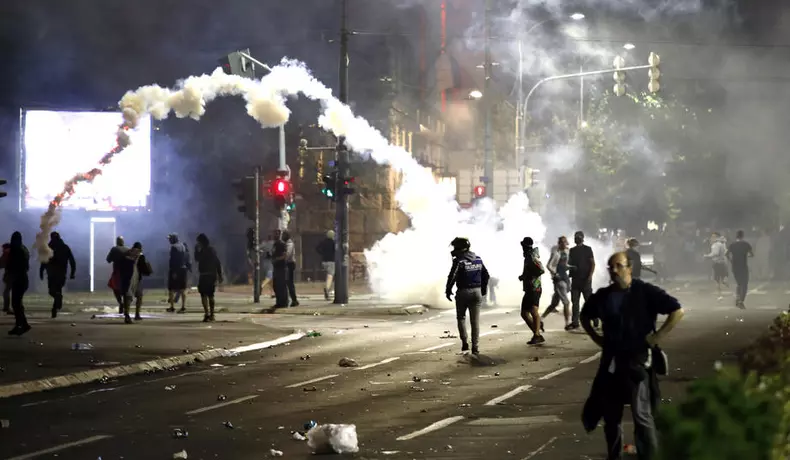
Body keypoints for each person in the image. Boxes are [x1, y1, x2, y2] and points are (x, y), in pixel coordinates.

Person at [581, 251, 685, 460]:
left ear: (630, 268)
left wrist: (656, 338)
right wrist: (597, 338)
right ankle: (614, 455)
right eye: (611, 267)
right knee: (611, 418)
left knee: (641, 415)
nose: (614, 271)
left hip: (637, 363)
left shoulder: (645, 292)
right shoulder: (603, 296)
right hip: (611, 364)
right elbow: (585, 315)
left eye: (619, 266)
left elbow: (677, 311)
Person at [445, 237, 489, 355]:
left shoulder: (459, 261)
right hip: (477, 291)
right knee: (475, 321)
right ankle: (475, 347)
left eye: (455, 248)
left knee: (461, 318)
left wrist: (448, 290)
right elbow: (486, 275)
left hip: (463, 292)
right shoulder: (478, 259)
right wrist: (483, 290)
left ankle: (465, 344)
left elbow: (452, 276)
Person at [39, 232, 76, 318]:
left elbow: (44, 261)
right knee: (58, 290)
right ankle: (55, 307)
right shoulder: (65, 247)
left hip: (52, 274)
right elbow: (72, 261)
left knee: (52, 291)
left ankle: (56, 304)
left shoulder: (49, 247)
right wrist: (72, 273)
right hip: (61, 273)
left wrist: (41, 271)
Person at [519, 237, 546, 345]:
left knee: (533, 311)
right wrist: (524, 276)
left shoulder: (531, 256)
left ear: (525, 246)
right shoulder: (528, 257)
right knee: (524, 313)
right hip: (530, 288)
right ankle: (537, 331)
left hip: (535, 288)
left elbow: (541, 269)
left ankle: (537, 333)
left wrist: (528, 276)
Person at [568, 231, 596, 330]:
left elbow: (592, 263)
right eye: (575, 237)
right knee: (575, 302)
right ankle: (575, 322)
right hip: (575, 280)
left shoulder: (588, 249)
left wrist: (590, 276)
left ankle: (595, 318)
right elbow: (569, 263)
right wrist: (570, 267)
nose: (577, 238)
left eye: (578, 237)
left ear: (582, 238)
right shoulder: (572, 250)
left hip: (585, 280)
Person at [543, 236, 571, 329]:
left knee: (554, 304)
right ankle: (567, 324)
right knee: (566, 302)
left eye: (564, 242)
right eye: (561, 242)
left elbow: (565, 265)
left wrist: (571, 267)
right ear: (559, 243)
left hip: (565, 276)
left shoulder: (567, 251)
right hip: (558, 278)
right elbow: (549, 265)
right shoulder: (555, 252)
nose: (563, 244)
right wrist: (555, 273)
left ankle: (541, 319)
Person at [7, 232, 31, 335]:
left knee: (16, 303)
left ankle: (21, 325)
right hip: (23, 277)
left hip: (18, 278)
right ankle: (22, 325)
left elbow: (13, 264)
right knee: (17, 303)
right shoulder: (23, 249)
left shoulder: (16, 250)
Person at [195, 234, 223, 322]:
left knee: (204, 295)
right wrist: (219, 274)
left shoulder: (204, 251)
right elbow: (217, 262)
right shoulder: (211, 250)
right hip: (211, 275)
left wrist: (196, 250)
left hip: (205, 275)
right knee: (210, 295)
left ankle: (207, 313)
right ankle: (211, 314)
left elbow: (197, 259)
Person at [727, 230, 753, 309]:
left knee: (739, 283)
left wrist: (731, 260)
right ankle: (741, 301)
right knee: (744, 284)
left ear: (736, 236)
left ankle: (737, 298)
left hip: (735, 267)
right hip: (743, 266)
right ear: (742, 236)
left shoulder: (732, 245)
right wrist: (747, 256)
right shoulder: (746, 244)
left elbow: (726, 254)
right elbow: (752, 254)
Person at [166, 233, 191, 313]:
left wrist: (174, 271)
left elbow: (173, 260)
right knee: (182, 289)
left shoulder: (173, 247)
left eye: (170, 239)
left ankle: (172, 307)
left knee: (171, 289)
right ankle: (183, 307)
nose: (169, 240)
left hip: (175, 269)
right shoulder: (183, 246)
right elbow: (186, 257)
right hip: (183, 270)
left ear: (173, 239)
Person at [106, 236, 130, 314]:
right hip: (127, 272)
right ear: (123, 242)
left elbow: (108, 260)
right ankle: (126, 307)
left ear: (117, 242)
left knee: (115, 288)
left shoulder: (114, 249)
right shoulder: (128, 249)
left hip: (117, 272)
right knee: (125, 290)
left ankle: (121, 303)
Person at [130, 242, 153, 320]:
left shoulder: (128, 254)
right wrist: (148, 270)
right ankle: (137, 314)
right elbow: (142, 267)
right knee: (139, 296)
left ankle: (126, 314)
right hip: (136, 278)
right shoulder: (140, 255)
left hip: (127, 277)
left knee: (128, 296)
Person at [271, 229, 289, 308]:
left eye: (277, 234)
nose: (275, 235)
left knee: (281, 285)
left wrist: (277, 259)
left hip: (281, 267)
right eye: (274, 234)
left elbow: (285, 255)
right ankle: (279, 301)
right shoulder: (275, 244)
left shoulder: (282, 244)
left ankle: (284, 302)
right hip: (276, 267)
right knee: (276, 285)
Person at [317, 230, 336, 301]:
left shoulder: (323, 242)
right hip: (331, 261)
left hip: (324, 261)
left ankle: (330, 289)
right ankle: (327, 289)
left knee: (329, 275)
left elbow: (317, 248)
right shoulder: (334, 243)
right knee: (330, 276)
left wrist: (322, 253)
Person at [283, 231, 299, 307]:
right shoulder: (286, 243)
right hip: (288, 264)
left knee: (289, 282)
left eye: (283, 235)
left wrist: (282, 258)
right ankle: (291, 299)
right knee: (287, 282)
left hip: (290, 264)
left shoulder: (290, 244)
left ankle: (294, 300)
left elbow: (287, 255)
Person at [1, 243, 11, 314]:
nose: (2, 250)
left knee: (6, 292)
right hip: (19, 275)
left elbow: (1, 263)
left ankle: (6, 307)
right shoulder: (16, 253)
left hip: (10, 275)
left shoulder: (7, 254)